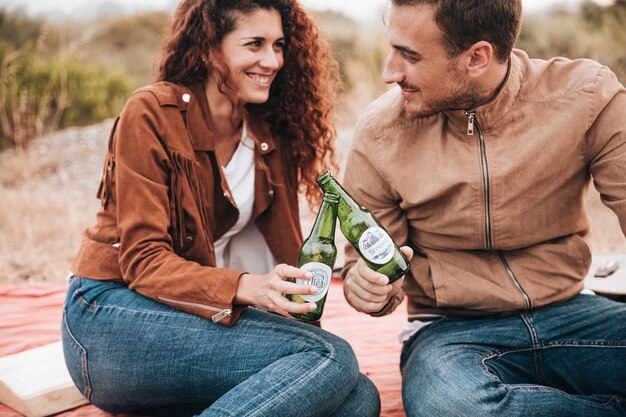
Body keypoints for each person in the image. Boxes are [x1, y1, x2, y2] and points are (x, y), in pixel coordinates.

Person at [61, 1, 381, 416]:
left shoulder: (269, 131)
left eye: (279, 45)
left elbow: (286, 247)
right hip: (110, 314)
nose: (272, 60)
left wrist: (295, 330)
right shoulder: (153, 113)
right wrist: (247, 287)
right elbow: (143, 261)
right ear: (210, 47)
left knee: (357, 398)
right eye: (255, 44)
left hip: (196, 323)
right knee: (331, 358)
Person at [340, 0, 626, 416]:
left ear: (477, 57)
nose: (390, 72)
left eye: (410, 55)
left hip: (575, 314)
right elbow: (365, 270)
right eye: (392, 49)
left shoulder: (587, 96)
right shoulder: (379, 134)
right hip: (451, 334)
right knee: (452, 405)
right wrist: (366, 287)